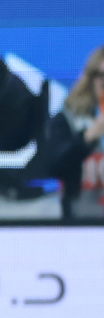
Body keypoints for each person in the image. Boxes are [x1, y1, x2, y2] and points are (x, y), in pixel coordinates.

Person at [47, 44, 104, 218]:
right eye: (102, 76)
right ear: (91, 79)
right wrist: (88, 137)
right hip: (80, 226)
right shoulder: (67, 119)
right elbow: (52, 166)